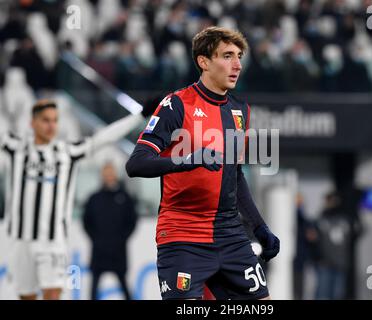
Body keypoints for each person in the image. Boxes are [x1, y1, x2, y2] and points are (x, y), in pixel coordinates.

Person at [126, 26, 280, 300]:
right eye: (227, 56)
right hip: (183, 235)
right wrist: (187, 160)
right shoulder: (176, 105)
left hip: (230, 234)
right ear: (203, 61)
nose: (237, 65)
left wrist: (258, 226)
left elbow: (234, 175)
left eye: (239, 56)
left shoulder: (240, 111)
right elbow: (136, 164)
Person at [0, 98, 150, 300]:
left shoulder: (66, 151)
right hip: (21, 240)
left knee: (53, 294)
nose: (51, 125)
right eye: (45, 120)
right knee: (26, 296)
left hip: (52, 242)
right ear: (32, 123)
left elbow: (103, 138)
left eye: (55, 120)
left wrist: (139, 116)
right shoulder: (15, 147)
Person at [83, 162, 137, 300]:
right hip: (99, 251)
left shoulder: (125, 197)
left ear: (115, 174)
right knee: (94, 288)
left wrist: (121, 238)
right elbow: (86, 222)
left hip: (118, 251)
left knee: (124, 286)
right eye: (106, 173)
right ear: (102, 175)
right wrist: (96, 239)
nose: (108, 176)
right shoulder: (94, 198)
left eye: (110, 172)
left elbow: (132, 221)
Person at [314, 191, 351, 300]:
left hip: (340, 263)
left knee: (337, 294)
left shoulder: (345, 219)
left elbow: (357, 232)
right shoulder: (321, 219)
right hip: (324, 262)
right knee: (322, 294)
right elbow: (314, 240)